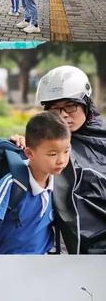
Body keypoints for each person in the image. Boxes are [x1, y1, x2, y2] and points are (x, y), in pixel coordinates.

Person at [0, 111, 71, 255]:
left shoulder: (59, 182)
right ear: (29, 153)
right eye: (53, 154)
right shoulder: (13, 183)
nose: (61, 160)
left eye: (66, 151)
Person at [36, 65, 106, 254]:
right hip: (63, 248)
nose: (63, 115)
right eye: (54, 109)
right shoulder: (42, 141)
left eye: (70, 106)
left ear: (86, 103)